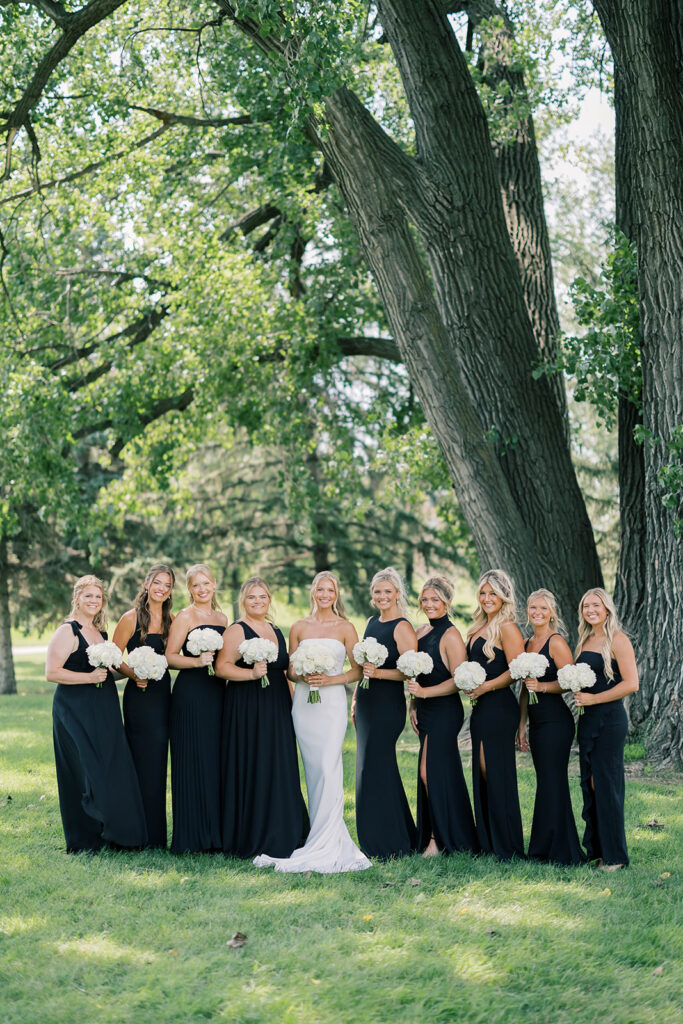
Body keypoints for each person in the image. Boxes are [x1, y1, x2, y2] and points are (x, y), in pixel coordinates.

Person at [254, 571, 371, 873]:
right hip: (305, 706)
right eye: (320, 589)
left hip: (331, 705)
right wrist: (303, 676)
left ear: (336, 594)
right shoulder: (299, 627)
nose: (324, 595)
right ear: (313, 592)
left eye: (330, 590)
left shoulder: (345, 627)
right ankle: (317, 835)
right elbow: (290, 671)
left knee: (329, 767)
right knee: (313, 771)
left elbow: (358, 670)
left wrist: (332, 679)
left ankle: (330, 840)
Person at [46, 575, 147, 852]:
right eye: (88, 596)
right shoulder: (67, 631)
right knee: (84, 769)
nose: (94, 601)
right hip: (74, 710)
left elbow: (106, 672)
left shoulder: (100, 632)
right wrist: (89, 678)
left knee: (109, 767)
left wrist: (134, 672)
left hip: (103, 709)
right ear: (77, 598)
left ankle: (111, 832)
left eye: (98, 597)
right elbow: (52, 672)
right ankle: (85, 837)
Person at [216, 576, 309, 858]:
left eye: (262, 596)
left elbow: (283, 672)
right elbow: (222, 667)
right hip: (247, 707)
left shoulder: (275, 629)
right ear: (243, 601)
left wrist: (292, 706)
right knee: (254, 762)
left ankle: (285, 830)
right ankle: (253, 833)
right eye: (251, 597)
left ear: (269, 600)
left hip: (277, 705)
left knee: (278, 763)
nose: (257, 601)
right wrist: (251, 674)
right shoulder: (236, 630)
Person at [407, 575, 478, 856]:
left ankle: (437, 840)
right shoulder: (420, 631)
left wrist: (424, 693)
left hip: (445, 712)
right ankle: (451, 835)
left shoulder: (451, 635)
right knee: (441, 773)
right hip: (424, 709)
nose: (429, 604)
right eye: (425, 599)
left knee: (429, 773)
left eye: (435, 599)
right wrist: (414, 702)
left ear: (446, 602)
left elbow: (459, 681)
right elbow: (415, 674)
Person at [352, 567, 417, 859]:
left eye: (388, 591)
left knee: (376, 768)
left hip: (388, 705)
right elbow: (364, 666)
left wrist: (378, 674)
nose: (382, 596)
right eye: (377, 591)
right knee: (368, 769)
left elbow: (410, 672)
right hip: (366, 702)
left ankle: (388, 842)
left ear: (397, 594)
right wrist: (356, 697)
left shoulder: (402, 627)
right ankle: (386, 836)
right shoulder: (371, 622)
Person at [517, 589, 584, 865]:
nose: (538, 613)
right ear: (527, 611)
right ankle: (542, 848)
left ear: (552, 613)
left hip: (556, 722)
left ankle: (563, 851)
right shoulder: (526, 643)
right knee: (545, 782)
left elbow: (570, 681)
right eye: (534, 608)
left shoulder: (556, 643)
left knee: (553, 781)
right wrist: (521, 724)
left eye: (544, 608)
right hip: (536, 723)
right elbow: (524, 688)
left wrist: (542, 686)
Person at [574, 588, 638, 869]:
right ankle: (599, 851)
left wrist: (594, 699)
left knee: (607, 785)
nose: (591, 610)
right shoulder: (585, 639)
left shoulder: (619, 640)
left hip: (610, 720)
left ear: (607, 609)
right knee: (591, 784)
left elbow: (631, 683)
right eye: (586, 606)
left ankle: (616, 858)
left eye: (596, 605)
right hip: (587, 718)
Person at [113, 564, 175, 849]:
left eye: (167, 585)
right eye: (157, 582)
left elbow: (174, 655)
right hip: (138, 696)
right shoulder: (130, 618)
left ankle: (155, 835)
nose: (162, 588)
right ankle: (134, 831)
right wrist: (133, 674)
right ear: (147, 583)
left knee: (158, 761)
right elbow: (114, 657)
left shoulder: (171, 620)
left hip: (162, 696)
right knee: (139, 758)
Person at [464, 569, 525, 860]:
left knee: (496, 770)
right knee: (482, 769)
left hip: (499, 706)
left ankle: (507, 844)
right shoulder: (478, 626)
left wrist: (486, 686)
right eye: (483, 593)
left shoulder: (507, 627)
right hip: (480, 707)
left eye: (493, 594)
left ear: (504, 597)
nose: (487, 598)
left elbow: (516, 670)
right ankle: (488, 840)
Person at [166, 564, 227, 854]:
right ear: (189, 590)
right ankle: (191, 836)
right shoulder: (185, 616)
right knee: (192, 758)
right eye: (195, 585)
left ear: (214, 585)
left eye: (206, 583)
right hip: (190, 693)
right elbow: (169, 656)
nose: (202, 589)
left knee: (215, 760)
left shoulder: (222, 618)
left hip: (218, 693)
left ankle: (216, 833)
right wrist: (196, 662)